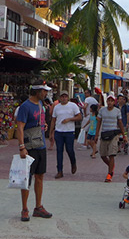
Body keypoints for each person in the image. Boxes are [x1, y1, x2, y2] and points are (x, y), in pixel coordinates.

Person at [15, 81, 53, 222]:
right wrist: (21, 147)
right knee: (27, 178)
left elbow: (38, 121)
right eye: (44, 91)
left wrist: (44, 125)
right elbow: (20, 127)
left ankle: (38, 207)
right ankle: (25, 208)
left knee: (40, 176)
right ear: (37, 91)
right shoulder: (25, 107)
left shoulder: (41, 104)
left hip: (41, 145)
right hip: (30, 146)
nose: (46, 93)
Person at [49, 91, 82, 178]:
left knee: (69, 150)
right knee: (59, 151)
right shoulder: (57, 107)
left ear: (68, 97)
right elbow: (53, 120)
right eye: (62, 97)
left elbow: (79, 117)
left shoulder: (73, 106)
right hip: (59, 131)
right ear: (60, 98)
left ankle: (73, 162)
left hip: (69, 131)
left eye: (65, 97)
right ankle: (59, 170)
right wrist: (51, 132)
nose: (64, 98)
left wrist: (70, 119)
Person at [96, 94, 126, 182]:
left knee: (111, 154)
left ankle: (109, 174)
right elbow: (99, 122)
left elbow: (120, 123)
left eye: (111, 101)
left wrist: (124, 135)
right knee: (103, 154)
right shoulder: (102, 110)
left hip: (113, 134)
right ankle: (111, 165)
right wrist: (96, 134)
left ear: (114, 102)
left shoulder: (117, 111)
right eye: (108, 101)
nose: (109, 102)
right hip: (104, 133)